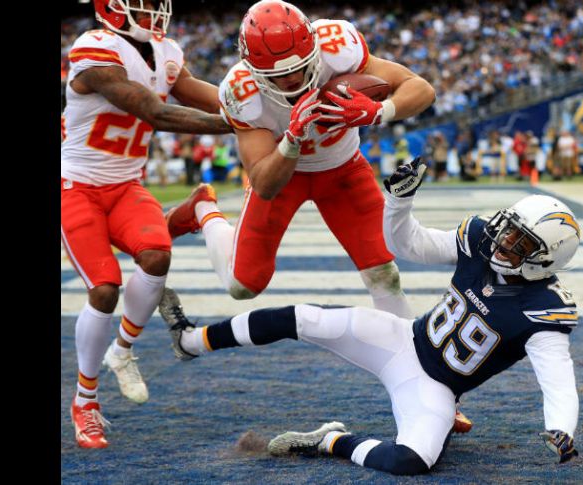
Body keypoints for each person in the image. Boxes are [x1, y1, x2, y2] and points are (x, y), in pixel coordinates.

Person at [158, 157, 581, 476]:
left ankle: (329, 441)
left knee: (412, 460)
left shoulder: (541, 310)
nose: (503, 241)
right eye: (508, 229)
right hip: (401, 339)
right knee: (305, 318)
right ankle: (191, 339)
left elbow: (557, 379)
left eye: (519, 242)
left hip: (435, 386)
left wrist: (562, 428)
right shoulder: (479, 242)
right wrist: (400, 202)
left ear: (545, 260)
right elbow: (407, 245)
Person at [164, 0, 472, 431]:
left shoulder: (337, 44)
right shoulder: (242, 90)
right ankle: (205, 210)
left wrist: (379, 112)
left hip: (344, 170)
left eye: (298, 67)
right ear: (253, 68)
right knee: (242, 285)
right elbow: (265, 183)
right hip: (283, 176)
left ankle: (427, 388)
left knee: (385, 275)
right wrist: (291, 137)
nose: (291, 79)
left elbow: (419, 87)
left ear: (313, 48)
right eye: (278, 74)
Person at [61, 0, 232, 449]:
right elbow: (154, 112)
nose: (152, 9)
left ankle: (122, 351)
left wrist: (258, 104)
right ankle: (85, 401)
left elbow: (203, 93)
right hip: (76, 187)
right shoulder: (93, 47)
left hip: (126, 185)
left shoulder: (168, 52)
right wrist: (239, 125)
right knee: (104, 287)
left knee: (156, 257)